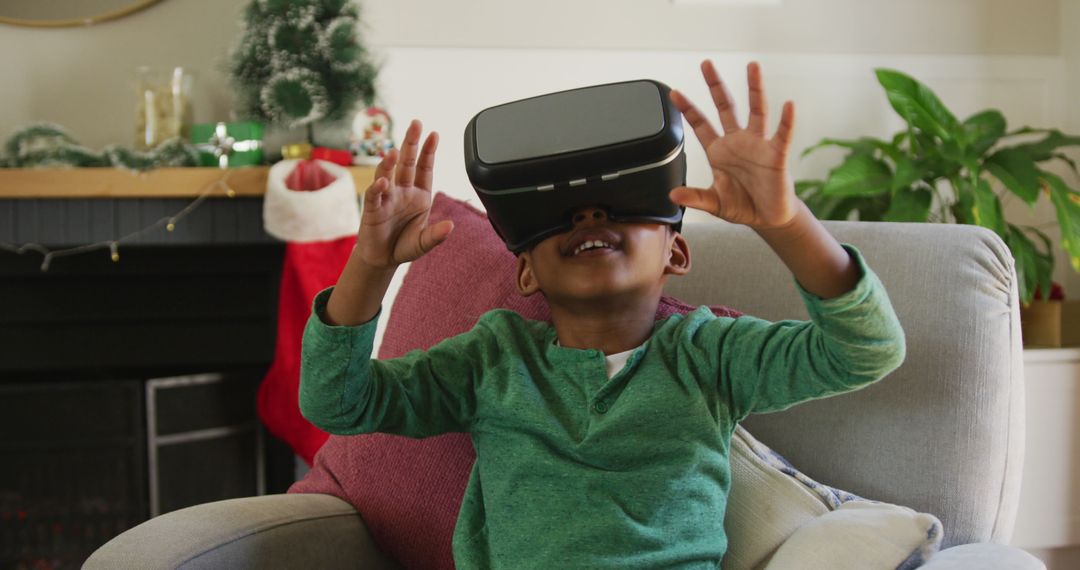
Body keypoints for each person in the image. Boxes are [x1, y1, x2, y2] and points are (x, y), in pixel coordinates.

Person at [299, 60, 905, 569]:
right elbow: (338, 403)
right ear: (526, 273)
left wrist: (785, 221)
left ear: (676, 253)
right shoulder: (493, 359)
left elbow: (866, 350)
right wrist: (371, 264)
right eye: (559, 216)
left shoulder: (709, 355)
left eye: (621, 207)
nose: (588, 215)